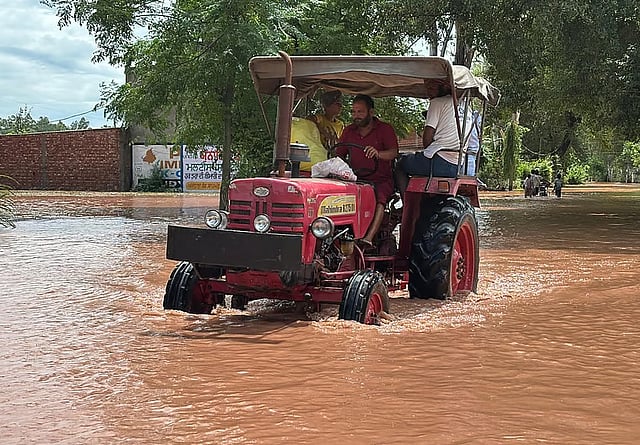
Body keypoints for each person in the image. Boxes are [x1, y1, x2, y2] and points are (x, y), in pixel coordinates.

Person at [336, 94, 398, 247]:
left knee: (379, 197)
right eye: (353, 112)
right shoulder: (349, 131)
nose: (356, 116)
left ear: (371, 112)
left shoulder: (385, 129)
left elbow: (393, 152)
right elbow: (339, 154)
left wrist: (378, 153)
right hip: (355, 178)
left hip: (380, 179)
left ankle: (368, 238)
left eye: (360, 112)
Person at [394, 81, 460, 199]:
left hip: (439, 162)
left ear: (445, 86)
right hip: (459, 164)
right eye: (427, 88)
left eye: (432, 87)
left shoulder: (437, 102)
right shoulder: (463, 105)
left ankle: (407, 205)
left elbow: (427, 139)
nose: (429, 92)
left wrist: (427, 152)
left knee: (400, 164)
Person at [307, 90, 345, 157]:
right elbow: (309, 119)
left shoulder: (340, 124)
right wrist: (323, 131)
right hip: (317, 155)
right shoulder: (319, 119)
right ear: (326, 106)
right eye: (337, 104)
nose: (341, 106)